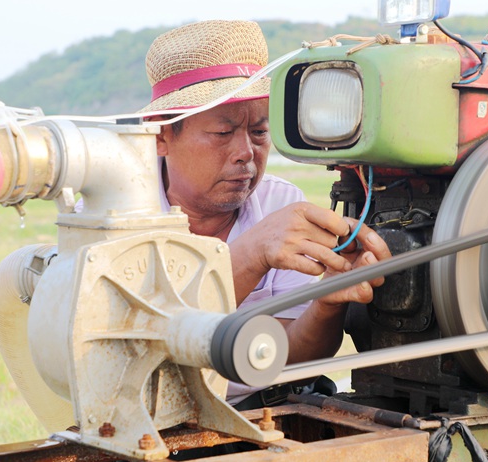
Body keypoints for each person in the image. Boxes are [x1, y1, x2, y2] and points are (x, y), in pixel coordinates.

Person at [140, 20, 391, 407]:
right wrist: (251, 253)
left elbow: (292, 355)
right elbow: (143, 350)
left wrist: (328, 303)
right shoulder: (118, 214)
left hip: (263, 410)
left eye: (259, 133)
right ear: (162, 136)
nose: (246, 153)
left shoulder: (278, 204)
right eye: (223, 134)